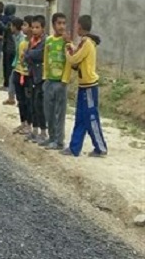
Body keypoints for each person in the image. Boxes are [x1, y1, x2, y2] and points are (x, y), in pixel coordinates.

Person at [63, 15, 107, 157]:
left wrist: (68, 46)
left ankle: (101, 148)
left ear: (80, 27)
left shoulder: (86, 42)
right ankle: (74, 147)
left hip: (89, 86)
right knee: (80, 117)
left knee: (91, 117)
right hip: (84, 85)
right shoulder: (86, 42)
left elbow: (74, 57)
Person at [41, 12, 71, 150]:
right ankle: (51, 137)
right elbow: (46, 59)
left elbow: (70, 61)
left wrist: (65, 79)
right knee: (49, 111)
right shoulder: (49, 41)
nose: (62, 26)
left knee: (60, 112)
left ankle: (59, 140)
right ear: (53, 25)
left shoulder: (66, 42)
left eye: (64, 23)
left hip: (60, 82)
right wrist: (45, 76)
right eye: (59, 23)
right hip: (49, 81)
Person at [24, 15, 47, 143]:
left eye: (37, 27)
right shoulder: (32, 40)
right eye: (33, 27)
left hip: (40, 76)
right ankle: (35, 130)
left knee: (39, 105)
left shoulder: (45, 41)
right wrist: (29, 55)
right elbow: (27, 55)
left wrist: (29, 54)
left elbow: (40, 54)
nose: (34, 30)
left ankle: (43, 132)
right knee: (31, 103)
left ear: (43, 28)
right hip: (31, 74)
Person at [12, 16, 33, 135]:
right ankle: (23, 122)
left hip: (28, 75)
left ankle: (29, 125)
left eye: (25, 25)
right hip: (18, 72)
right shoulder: (21, 41)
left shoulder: (33, 43)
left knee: (28, 101)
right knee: (20, 100)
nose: (23, 27)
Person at [3, 17, 25, 106]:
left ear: (15, 27)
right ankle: (11, 98)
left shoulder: (21, 38)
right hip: (17, 62)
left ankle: (15, 99)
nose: (10, 28)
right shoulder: (16, 36)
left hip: (21, 63)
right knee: (13, 79)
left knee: (17, 81)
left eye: (12, 26)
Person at [1, 4, 17, 88]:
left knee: (6, 66)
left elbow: (4, 28)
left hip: (8, 47)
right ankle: (11, 84)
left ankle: (7, 83)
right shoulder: (17, 20)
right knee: (12, 67)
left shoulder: (7, 21)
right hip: (14, 47)